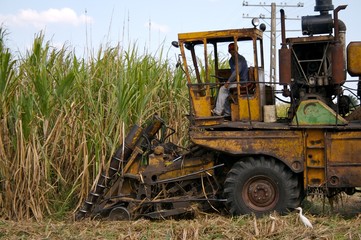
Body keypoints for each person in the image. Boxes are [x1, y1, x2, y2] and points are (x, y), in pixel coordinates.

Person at [212, 43, 248, 116]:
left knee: (223, 89)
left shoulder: (241, 59)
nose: (232, 51)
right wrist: (227, 81)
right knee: (223, 90)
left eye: (233, 49)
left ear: (236, 49)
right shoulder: (231, 60)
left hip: (242, 82)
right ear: (229, 51)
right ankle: (228, 113)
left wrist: (228, 82)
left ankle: (218, 111)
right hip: (236, 82)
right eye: (231, 50)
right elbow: (233, 73)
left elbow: (236, 72)